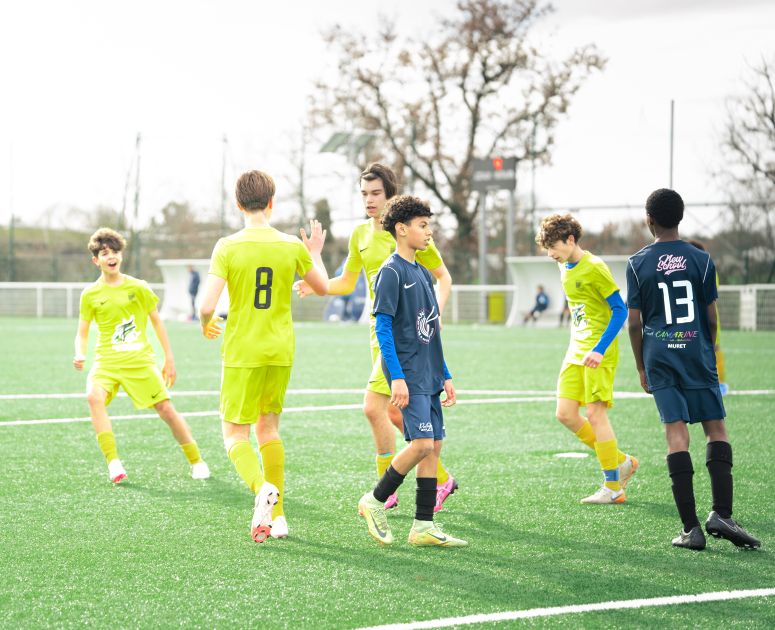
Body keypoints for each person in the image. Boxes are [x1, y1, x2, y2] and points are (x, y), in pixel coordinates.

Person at [294, 163, 458, 513]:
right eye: (364, 194)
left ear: (390, 194)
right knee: (395, 415)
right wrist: (316, 282)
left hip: (407, 338)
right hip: (379, 335)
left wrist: (436, 314)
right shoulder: (360, 236)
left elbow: (443, 278)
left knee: (373, 408)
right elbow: (346, 283)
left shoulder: (407, 232)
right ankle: (437, 479)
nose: (369, 200)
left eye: (376, 193)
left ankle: (389, 489)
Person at [198, 170, 328, 543]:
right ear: (272, 202)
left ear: (238, 204)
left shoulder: (227, 246)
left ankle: (261, 491)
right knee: (268, 429)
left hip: (243, 350)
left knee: (233, 435)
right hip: (281, 349)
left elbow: (207, 303)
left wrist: (206, 323)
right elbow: (320, 287)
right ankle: (280, 518)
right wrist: (315, 254)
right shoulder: (291, 246)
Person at [626, 189, 760, 550]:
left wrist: (641, 367)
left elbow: (634, 324)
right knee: (716, 430)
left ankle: (690, 529)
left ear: (648, 219)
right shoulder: (701, 259)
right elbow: (712, 316)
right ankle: (722, 514)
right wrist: (709, 346)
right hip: (697, 355)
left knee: (676, 435)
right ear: (680, 218)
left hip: (660, 358)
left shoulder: (637, 263)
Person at [357, 195, 467, 547]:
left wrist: (445, 374)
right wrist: (397, 377)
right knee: (420, 444)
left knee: (433, 445)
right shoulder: (391, 271)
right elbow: (383, 328)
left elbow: (431, 329)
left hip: (430, 373)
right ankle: (375, 500)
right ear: (401, 230)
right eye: (422, 225)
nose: (428, 232)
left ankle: (423, 526)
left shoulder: (422, 273)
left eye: (429, 225)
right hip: (409, 374)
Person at [73, 228, 210, 484]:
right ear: (96, 260)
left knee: (166, 409)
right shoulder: (90, 294)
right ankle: (113, 463)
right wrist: (80, 352)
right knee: (93, 396)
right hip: (107, 362)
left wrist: (168, 358)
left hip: (140, 361)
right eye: (104, 253)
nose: (111, 256)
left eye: (115, 252)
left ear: (121, 255)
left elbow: (157, 323)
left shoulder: (139, 287)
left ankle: (197, 460)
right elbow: (82, 332)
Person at [535, 214, 638, 504]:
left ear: (570, 240)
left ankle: (613, 486)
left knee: (595, 414)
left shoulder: (594, 267)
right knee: (565, 413)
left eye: (552, 246)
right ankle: (620, 461)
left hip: (597, 351)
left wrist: (600, 348)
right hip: (575, 349)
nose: (549, 253)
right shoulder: (563, 266)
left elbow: (620, 309)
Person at [687, 240, 729, 396]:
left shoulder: (707, 269)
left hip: (703, 316)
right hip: (699, 317)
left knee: (714, 348)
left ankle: (720, 383)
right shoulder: (704, 268)